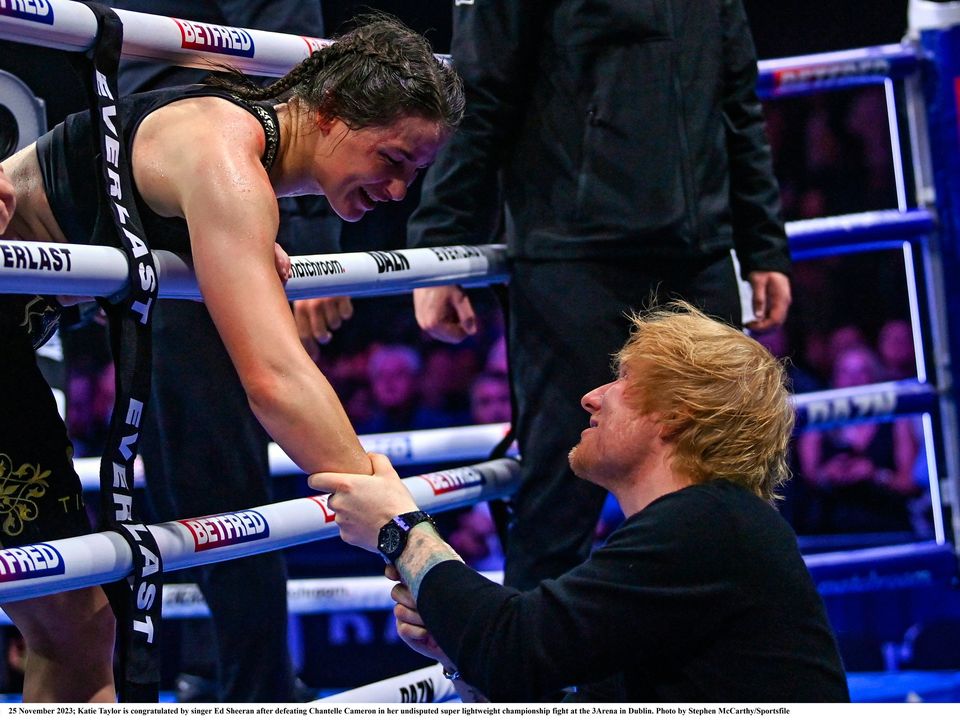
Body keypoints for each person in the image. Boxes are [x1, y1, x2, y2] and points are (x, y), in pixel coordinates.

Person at [0, 16, 463, 702]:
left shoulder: (231, 152)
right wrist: (398, 519)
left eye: (414, 175)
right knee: (72, 626)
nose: (398, 192)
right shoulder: (226, 159)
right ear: (330, 111)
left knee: (76, 627)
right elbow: (276, 379)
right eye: (392, 160)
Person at [406, 0, 792, 591]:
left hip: (699, 253)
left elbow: (736, 94)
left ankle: (716, 672)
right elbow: (480, 89)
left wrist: (762, 244)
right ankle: (536, 678)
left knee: (727, 484)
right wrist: (441, 247)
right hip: (573, 259)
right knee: (562, 491)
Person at [314, 303, 849, 702]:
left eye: (624, 380)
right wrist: (462, 654)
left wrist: (398, 528)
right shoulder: (701, 529)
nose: (592, 396)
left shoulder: (709, 524)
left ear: (677, 414)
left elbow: (515, 643)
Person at [105, 0, 337, 702]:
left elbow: (295, 70)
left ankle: (259, 685)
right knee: (173, 473)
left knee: (220, 468)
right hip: (133, 180)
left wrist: (313, 238)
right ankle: (225, 668)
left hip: (224, 178)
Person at [796, 345, 920, 535]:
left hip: (886, 523)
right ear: (835, 378)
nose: (853, 380)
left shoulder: (896, 421)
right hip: (831, 527)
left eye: (861, 372)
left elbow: (909, 483)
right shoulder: (818, 421)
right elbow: (806, 479)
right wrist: (828, 475)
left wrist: (875, 474)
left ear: (874, 376)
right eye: (845, 372)